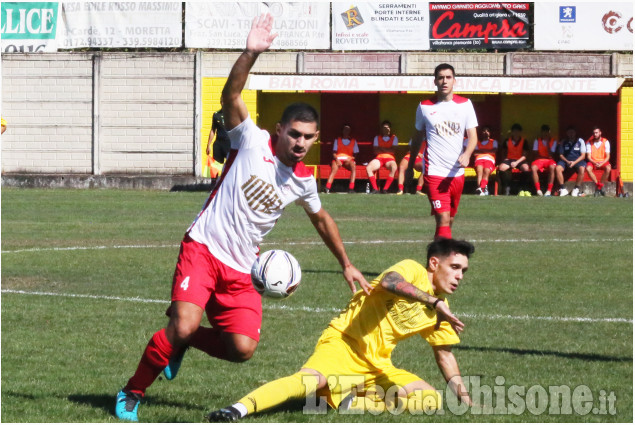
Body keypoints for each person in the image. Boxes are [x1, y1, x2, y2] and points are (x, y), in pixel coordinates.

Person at [114, 14, 371, 422]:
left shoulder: (304, 181)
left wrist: (347, 263)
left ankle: (183, 343)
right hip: (203, 247)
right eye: (294, 134)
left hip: (243, 269)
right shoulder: (251, 140)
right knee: (180, 324)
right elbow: (230, 96)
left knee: (242, 350)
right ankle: (132, 391)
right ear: (279, 129)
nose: (300, 143)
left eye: (308, 137)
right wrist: (250, 52)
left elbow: (322, 220)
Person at [207, 238, 475, 422]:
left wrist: (465, 399)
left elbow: (445, 354)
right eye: (454, 267)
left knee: (429, 400)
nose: (460, 276)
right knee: (308, 381)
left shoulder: (441, 311)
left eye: (463, 270)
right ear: (433, 263)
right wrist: (433, 301)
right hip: (343, 344)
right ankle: (237, 410)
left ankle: (353, 402)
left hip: (378, 365)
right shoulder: (413, 271)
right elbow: (392, 282)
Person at [407, 63, 478, 240]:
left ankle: (439, 258)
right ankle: (436, 264)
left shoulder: (465, 105)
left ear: (455, 80)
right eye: (441, 78)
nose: (444, 81)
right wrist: (410, 166)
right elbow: (417, 140)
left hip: (456, 173)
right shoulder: (424, 107)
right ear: (435, 81)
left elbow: (473, 137)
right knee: (443, 218)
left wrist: (467, 154)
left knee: (450, 219)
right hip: (434, 172)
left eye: (448, 77)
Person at [324, 124, 359, 194]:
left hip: (348, 160)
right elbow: (334, 153)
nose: (346, 131)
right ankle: (327, 187)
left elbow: (355, 155)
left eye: (348, 130)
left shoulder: (353, 141)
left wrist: (350, 158)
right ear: (342, 131)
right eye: (345, 129)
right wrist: (337, 160)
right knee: (334, 169)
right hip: (338, 158)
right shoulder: (337, 140)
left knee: (353, 167)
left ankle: (351, 188)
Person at [497, 123, 531, 196]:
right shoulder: (507, 140)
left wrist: (517, 162)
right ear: (512, 132)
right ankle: (506, 187)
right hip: (509, 159)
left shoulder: (524, 141)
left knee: (526, 168)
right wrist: (505, 159)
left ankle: (521, 188)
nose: (516, 133)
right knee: (501, 168)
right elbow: (503, 151)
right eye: (514, 131)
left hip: (520, 160)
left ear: (520, 132)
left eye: (517, 131)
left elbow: (525, 155)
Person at [366, 120, 398, 194]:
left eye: (387, 127)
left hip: (390, 158)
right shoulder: (377, 138)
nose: (386, 129)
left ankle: (385, 189)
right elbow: (375, 151)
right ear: (381, 129)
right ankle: (375, 189)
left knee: (394, 167)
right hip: (379, 158)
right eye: (384, 127)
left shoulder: (394, 137)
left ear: (390, 129)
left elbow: (393, 151)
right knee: (368, 168)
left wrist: (381, 148)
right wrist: (387, 149)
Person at [555, 125, 586, 197]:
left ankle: (576, 189)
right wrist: (567, 161)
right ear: (567, 133)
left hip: (577, 160)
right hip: (566, 160)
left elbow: (583, 156)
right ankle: (562, 189)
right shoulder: (563, 141)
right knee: (557, 168)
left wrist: (574, 162)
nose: (571, 134)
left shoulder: (580, 141)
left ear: (575, 133)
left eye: (572, 132)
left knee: (582, 169)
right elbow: (560, 155)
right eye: (569, 132)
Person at [205, 100, 232, 179]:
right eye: (222, 101)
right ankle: (213, 185)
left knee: (229, 165)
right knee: (215, 166)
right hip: (219, 143)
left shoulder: (232, 114)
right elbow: (213, 130)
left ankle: (228, 184)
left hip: (229, 143)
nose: (223, 103)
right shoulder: (216, 115)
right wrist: (208, 145)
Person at [530, 124, 558, 197]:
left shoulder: (553, 141)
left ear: (549, 132)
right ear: (541, 132)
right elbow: (535, 153)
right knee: (533, 168)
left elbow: (551, 154)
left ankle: (549, 190)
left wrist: (548, 144)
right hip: (539, 159)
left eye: (547, 132)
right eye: (544, 132)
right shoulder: (537, 140)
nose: (545, 134)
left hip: (549, 160)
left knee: (552, 167)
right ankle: (538, 190)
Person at [585, 126, 612, 197]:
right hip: (593, 161)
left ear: (600, 133)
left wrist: (602, 163)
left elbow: (608, 156)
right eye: (594, 133)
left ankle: (600, 186)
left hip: (603, 161)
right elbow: (588, 157)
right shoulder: (589, 143)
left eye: (596, 133)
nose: (595, 134)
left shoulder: (605, 141)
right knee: (588, 169)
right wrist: (595, 163)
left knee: (608, 168)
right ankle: (598, 185)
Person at [472, 125, 498, 196]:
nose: (486, 132)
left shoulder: (493, 141)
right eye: (484, 131)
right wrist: (488, 151)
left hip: (489, 159)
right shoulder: (477, 142)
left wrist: (481, 150)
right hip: (479, 159)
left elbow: (494, 151)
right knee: (479, 171)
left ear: (490, 133)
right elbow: (475, 153)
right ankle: (481, 189)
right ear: (481, 132)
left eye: (487, 131)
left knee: (486, 171)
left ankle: (481, 188)